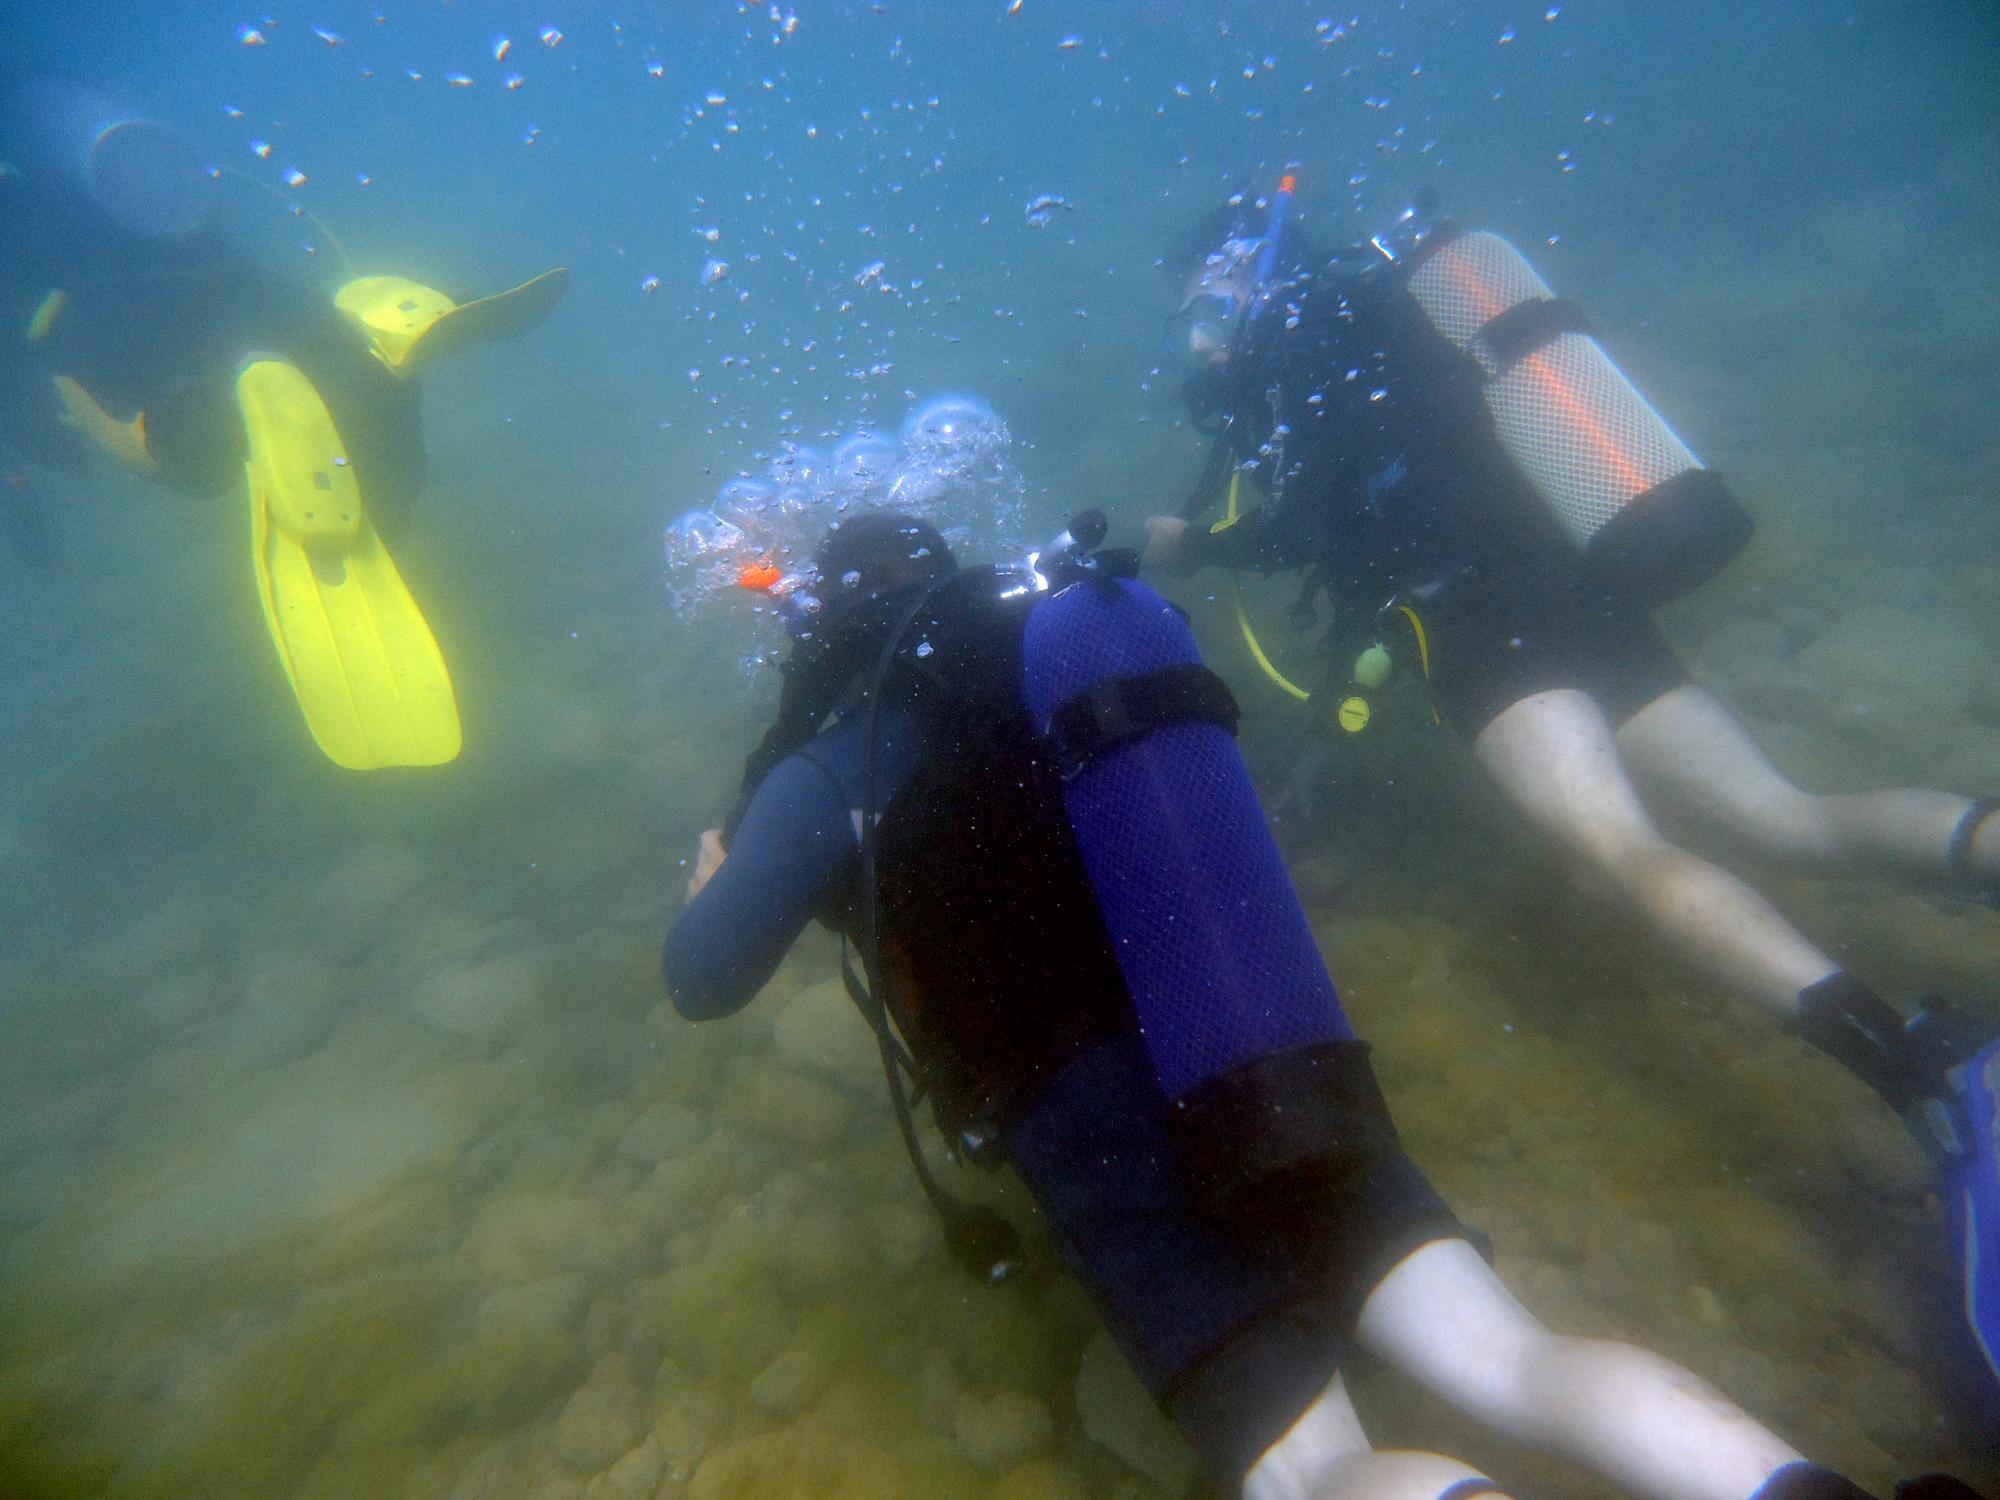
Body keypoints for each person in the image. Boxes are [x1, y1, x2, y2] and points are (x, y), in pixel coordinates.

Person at [664, 511, 1974, 1500]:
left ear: (825, 632)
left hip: (1094, 1122)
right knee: (1511, 1357)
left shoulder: (835, 760)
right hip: (1257, 1035)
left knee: (1321, 1468)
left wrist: (715, 878)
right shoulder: (1063, 655)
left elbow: (703, 979)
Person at [1141, 181, 2000, 1392]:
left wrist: (1200, 543)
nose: (1194, 329)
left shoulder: (1293, 353)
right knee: (1779, 812)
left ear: (1234, 275)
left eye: (1196, 302)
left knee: (1617, 849)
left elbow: (1321, 518)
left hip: (1475, 618)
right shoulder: (1395, 306)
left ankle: (1916, 1075)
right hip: (1571, 573)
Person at [0, 72, 569, 769]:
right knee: (331, 350)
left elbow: (27, 379)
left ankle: (215, 416)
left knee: (187, 456)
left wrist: (49, 435)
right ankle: (389, 329)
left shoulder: (25, 205)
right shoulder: (69, 128)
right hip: (197, 253)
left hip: (89, 302)